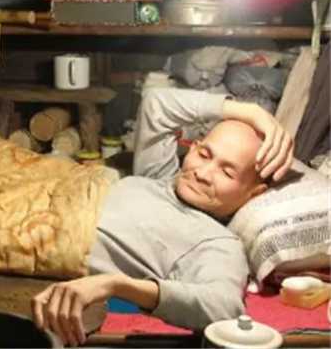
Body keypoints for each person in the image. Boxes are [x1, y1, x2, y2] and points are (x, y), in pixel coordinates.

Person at [32, 88, 294, 346]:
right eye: (204, 155)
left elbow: (223, 307)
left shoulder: (217, 242)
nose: (202, 173)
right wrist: (251, 112)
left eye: (227, 173)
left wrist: (117, 285)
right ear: (193, 148)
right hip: (40, 191)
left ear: (253, 193)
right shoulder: (161, 175)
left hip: (39, 234)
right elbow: (157, 103)